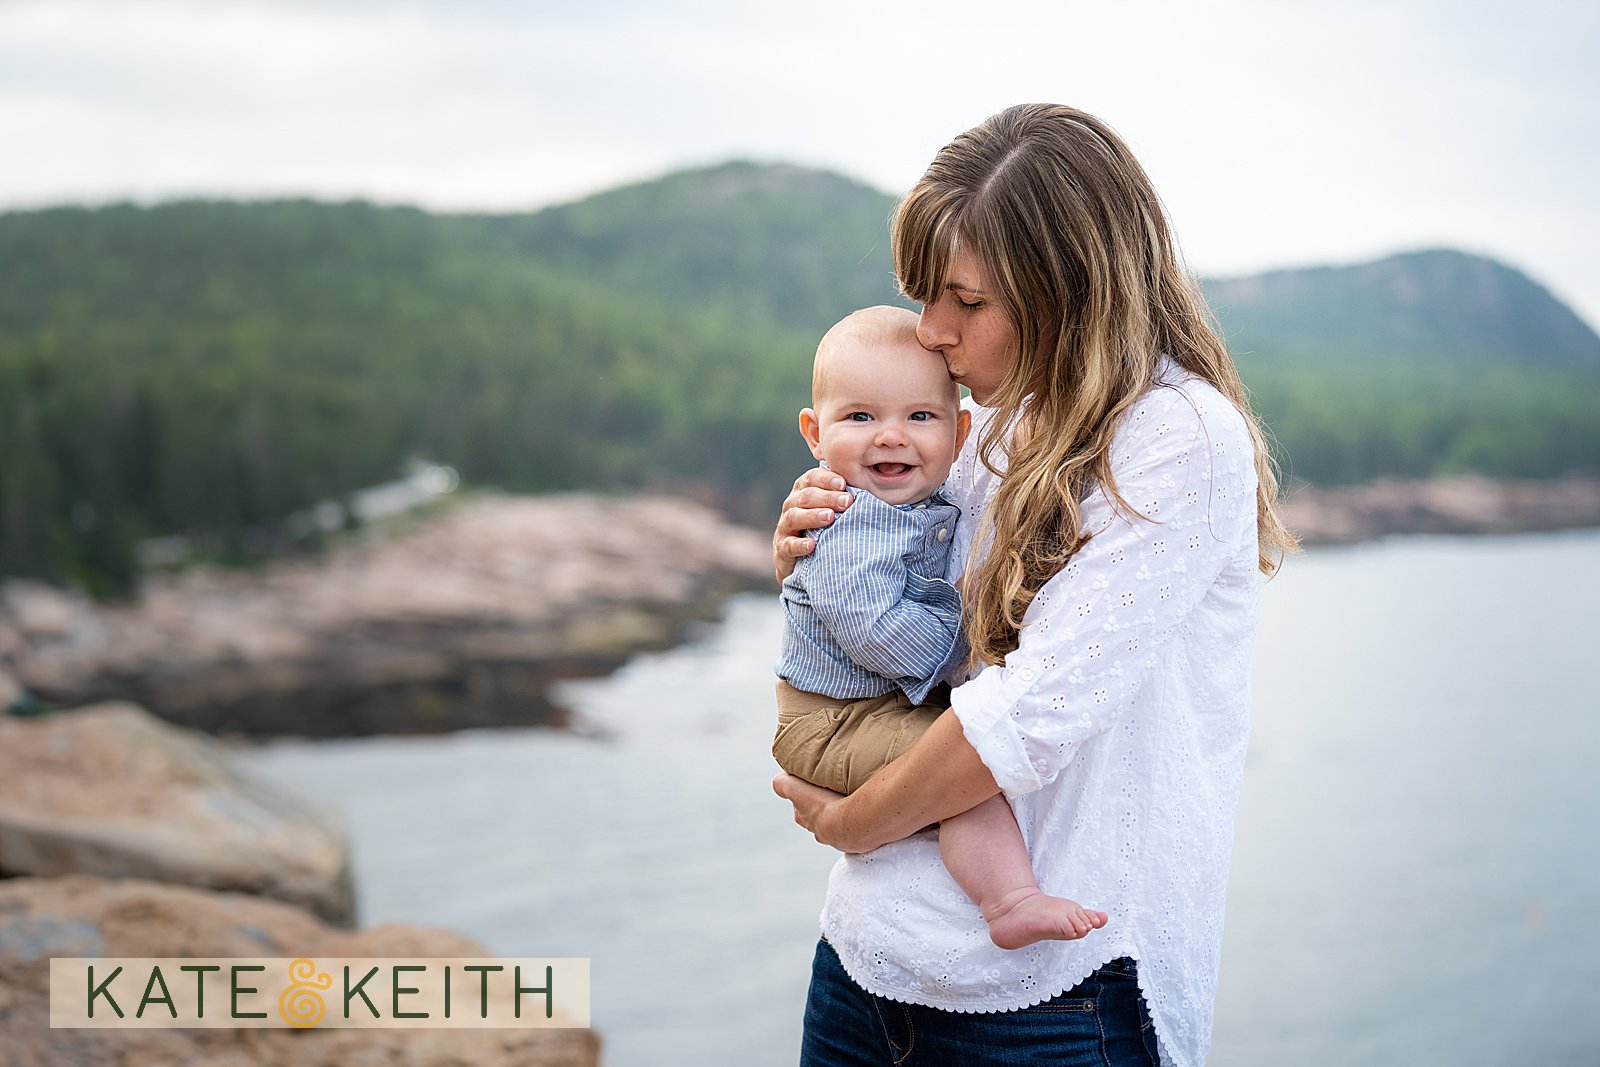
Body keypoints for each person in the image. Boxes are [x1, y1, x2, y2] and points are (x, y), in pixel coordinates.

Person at [771, 103, 1297, 1067]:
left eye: (967, 301)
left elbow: (1023, 714)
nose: (932, 331)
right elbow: (896, 603)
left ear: (1068, 291)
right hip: (868, 961)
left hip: (1057, 1000)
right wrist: (808, 547)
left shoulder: (1177, 438)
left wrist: (851, 819)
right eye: (926, 293)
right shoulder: (990, 426)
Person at [774, 303, 1109, 950]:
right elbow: (877, 632)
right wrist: (970, 611)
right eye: (860, 416)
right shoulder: (847, 520)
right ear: (816, 433)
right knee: (960, 776)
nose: (891, 435)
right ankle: (1009, 898)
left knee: (954, 768)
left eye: (919, 416)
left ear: (959, 436)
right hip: (833, 720)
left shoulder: (921, 502)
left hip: (861, 707)